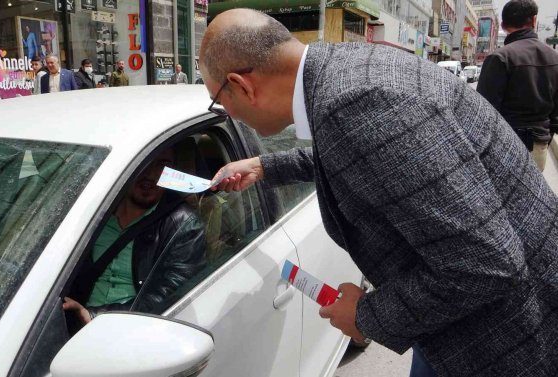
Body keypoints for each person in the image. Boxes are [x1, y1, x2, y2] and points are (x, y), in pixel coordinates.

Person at [202, 9, 558, 376]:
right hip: (472, 318)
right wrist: (264, 167)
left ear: (242, 85)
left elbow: (485, 264)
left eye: (219, 101)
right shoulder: (343, 73)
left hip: (508, 337)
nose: (227, 112)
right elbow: (370, 156)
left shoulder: (355, 103)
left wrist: (366, 316)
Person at [63, 147, 206, 325]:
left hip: (136, 326)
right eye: (144, 161)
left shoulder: (184, 225)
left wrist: (93, 315)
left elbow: (169, 296)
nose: (151, 175)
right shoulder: (92, 214)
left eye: (163, 165)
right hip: (71, 323)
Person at [477, 0, 558, 172]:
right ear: (534, 20)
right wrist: (543, 138)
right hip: (538, 145)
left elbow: (483, 111)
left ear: (504, 24)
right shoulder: (554, 59)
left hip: (504, 145)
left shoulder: (499, 57)